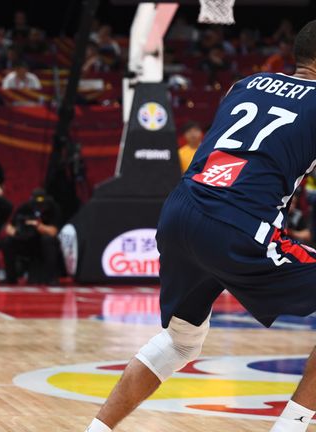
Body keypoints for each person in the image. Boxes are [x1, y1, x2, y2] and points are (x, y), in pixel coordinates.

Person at [86, 20, 316, 432]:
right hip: (238, 222)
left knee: (180, 341)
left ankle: (96, 430)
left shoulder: (246, 84)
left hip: (182, 209)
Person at [0, 188, 61, 284]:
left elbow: (54, 232)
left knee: (48, 240)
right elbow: (9, 227)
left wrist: (38, 226)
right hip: (26, 241)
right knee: (7, 242)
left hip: (42, 244)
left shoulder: (53, 208)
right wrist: (17, 233)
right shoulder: (25, 208)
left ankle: (51, 279)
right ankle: (10, 278)